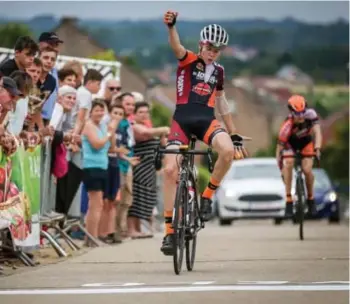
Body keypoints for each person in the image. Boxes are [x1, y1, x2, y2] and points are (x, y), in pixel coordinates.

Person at [160, 11, 248, 255]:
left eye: (217, 49)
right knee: (169, 170)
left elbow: (222, 102)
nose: (213, 52)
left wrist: (234, 132)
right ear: (201, 45)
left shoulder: (219, 72)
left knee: (228, 151)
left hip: (207, 121)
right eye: (210, 47)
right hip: (182, 122)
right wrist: (171, 26)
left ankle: (207, 196)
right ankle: (169, 233)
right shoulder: (188, 60)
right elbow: (175, 45)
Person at [276, 95, 322, 217]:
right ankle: (289, 201)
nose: (301, 116)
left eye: (303, 112)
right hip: (290, 144)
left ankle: (311, 199)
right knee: (289, 163)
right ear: (291, 112)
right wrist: (281, 167)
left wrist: (317, 148)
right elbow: (279, 148)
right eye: (297, 113)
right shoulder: (286, 125)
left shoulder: (311, 115)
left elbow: (317, 132)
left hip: (306, 142)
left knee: (307, 170)